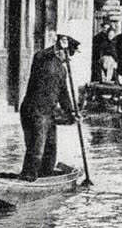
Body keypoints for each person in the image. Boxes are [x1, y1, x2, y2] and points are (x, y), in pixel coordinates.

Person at [19, 34, 80, 180]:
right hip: (34, 111)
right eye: (68, 53)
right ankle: (28, 177)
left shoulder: (62, 69)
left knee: (50, 149)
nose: (69, 58)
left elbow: (63, 94)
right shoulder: (42, 60)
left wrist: (71, 112)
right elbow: (40, 55)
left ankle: (45, 177)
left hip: (48, 113)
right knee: (36, 149)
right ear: (61, 50)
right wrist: (56, 48)